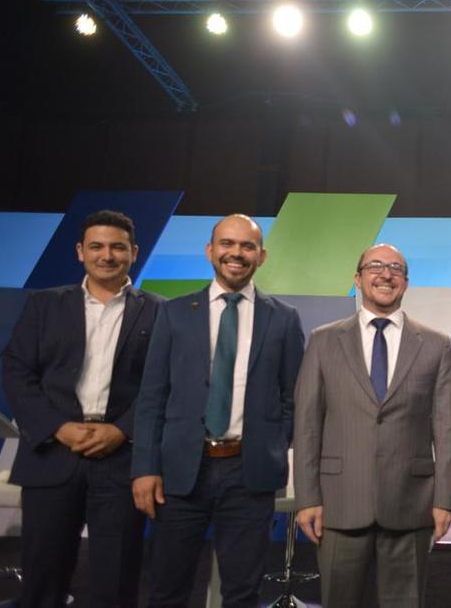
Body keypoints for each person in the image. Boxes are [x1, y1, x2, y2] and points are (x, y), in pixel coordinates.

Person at [131, 214, 305, 608]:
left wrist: (274, 444)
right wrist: (144, 467)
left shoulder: (283, 318)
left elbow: (293, 396)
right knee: (167, 589)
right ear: (210, 251)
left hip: (249, 473)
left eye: (247, 246)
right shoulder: (174, 313)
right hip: (179, 472)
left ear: (261, 256)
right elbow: (152, 396)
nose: (236, 253)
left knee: (242, 592)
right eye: (227, 243)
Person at [3, 209, 161, 607]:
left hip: (121, 459)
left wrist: (122, 429)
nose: (106, 255)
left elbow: (165, 382)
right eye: (96, 246)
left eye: (117, 247)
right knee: (42, 579)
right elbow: (18, 373)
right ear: (80, 252)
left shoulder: (160, 310)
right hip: (52, 456)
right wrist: (59, 427)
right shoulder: (44, 305)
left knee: (116, 580)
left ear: (134, 252)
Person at [294, 243, 451, 607]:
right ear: (357, 278)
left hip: (411, 504)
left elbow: (446, 430)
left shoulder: (435, 344)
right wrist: (307, 498)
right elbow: (307, 426)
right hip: (338, 505)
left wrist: (445, 499)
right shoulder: (323, 341)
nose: (386, 274)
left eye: (396, 269)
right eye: (376, 266)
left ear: (406, 282)